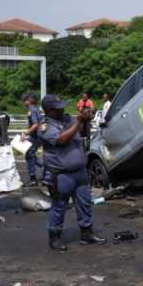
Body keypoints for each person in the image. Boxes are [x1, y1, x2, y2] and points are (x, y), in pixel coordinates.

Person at [38, 94, 105, 251]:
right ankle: (54, 237)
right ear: (49, 110)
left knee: (84, 203)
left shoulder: (67, 119)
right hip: (61, 174)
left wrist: (85, 120)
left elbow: (80, 132)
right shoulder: (45, 126)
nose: (62, 109)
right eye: (57, 108)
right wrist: (79, 121)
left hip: (79, 171)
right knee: (59, 206)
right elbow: (61, 140)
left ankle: (86, 233)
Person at [22, 94, 42, 186]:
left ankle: (33, 179)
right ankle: (45, 167)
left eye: (25, 100)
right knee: (30, 154)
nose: (24, 102)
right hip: (35, 135)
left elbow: (35, 124)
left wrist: (26, 133)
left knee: (29, 154)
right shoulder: (33, 109)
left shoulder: (32, 110)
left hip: (36, 136)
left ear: (29, 100)